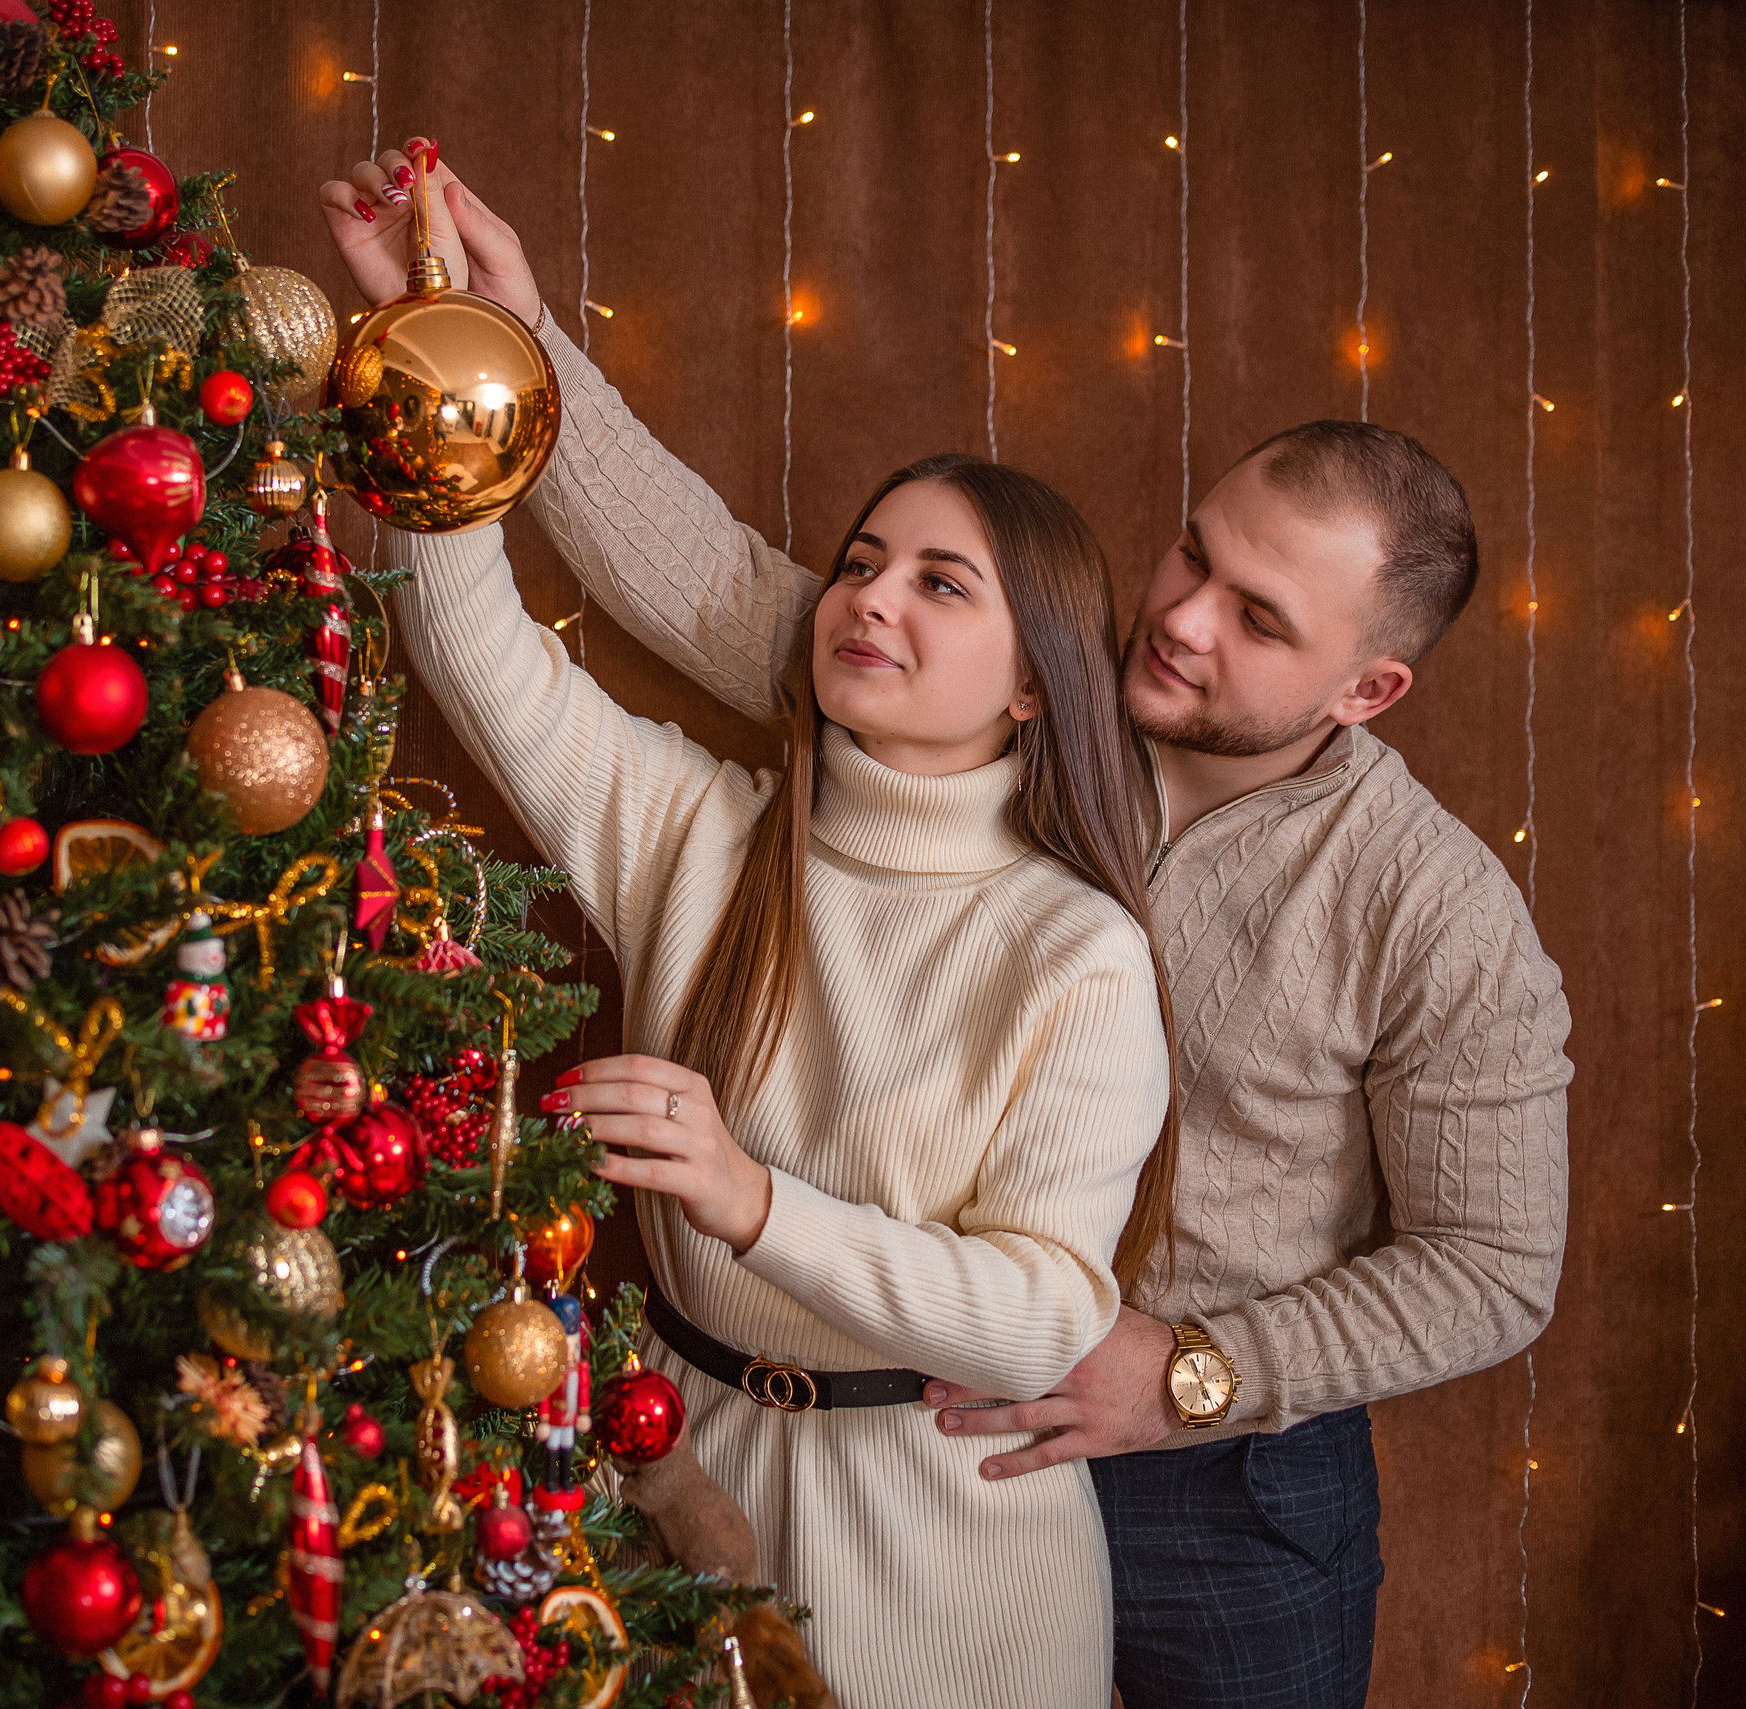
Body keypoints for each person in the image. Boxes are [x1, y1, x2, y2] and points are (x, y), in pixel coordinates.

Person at [320, 142, 1572, 1709]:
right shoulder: (995, 702)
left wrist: (1191, 1373)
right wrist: (493, 348)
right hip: (830, 1423)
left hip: (1215, 1472)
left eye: (1259, 620)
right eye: (1195, 552)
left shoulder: (1430, 905)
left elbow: (1496, 1266)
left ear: (1365, 687)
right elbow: (700, 584)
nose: (1180, 618)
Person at [330, 145, 1182, 1709]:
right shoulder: (705, 828)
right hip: (679, 1488)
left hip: (953, 1557)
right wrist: (444, 361)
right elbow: (473, 646)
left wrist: (749, 1197)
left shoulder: (1075, 949)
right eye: (862, 564)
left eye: (942, 583)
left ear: (1031, 682)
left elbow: (1046, 1312)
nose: (874, 598)